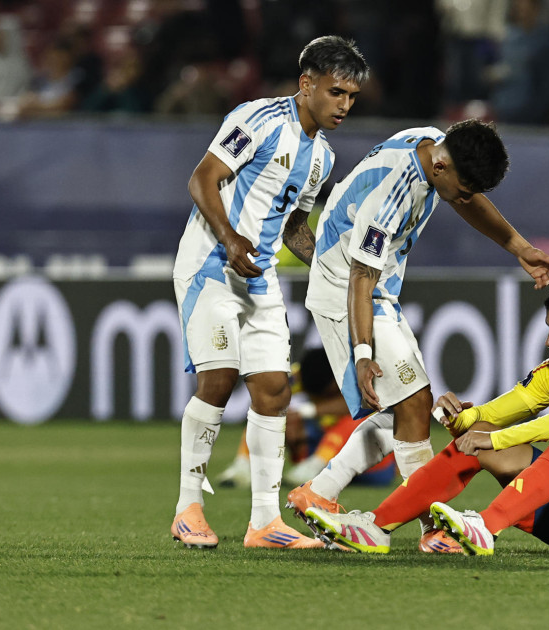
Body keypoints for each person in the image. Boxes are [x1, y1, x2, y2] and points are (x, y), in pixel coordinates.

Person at [285, 119, 549, 551]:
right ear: (442, 167)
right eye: (465, 187)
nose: (467, 197)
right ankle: (427, 527)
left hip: (374, 291)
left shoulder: (434, 148)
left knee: (402, 413)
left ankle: (320, 491)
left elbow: (464, 200)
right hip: (349, 293)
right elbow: (360, 276)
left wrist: (518, 247)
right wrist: (361, 353)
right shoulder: (393, 196)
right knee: (415, 401)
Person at [303, 278, 549, 556]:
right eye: (548, 329)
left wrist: (500, 438)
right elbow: (495, 414)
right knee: (481, 436)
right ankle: (376, 526)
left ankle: (485, 528)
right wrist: (461, 419)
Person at [169, 35, 369, 550]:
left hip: (258, 277)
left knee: (275, 388)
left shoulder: (321, 158)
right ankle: (188, 507)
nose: (344, 105)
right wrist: (230, 238)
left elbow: (294, 227)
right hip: (210, 263)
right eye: (336, 92)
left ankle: (263, 523)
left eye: (351, 97)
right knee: (218, 376)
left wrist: (334, 266)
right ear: (307, 84)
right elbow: (202, 179)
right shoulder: (258, 119)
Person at [214, 347, 396, 489]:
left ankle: (313, 467)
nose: (318, 398)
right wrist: (287, 419)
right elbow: (265, 401)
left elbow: (363, 406)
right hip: (322, 446)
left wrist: (305, 411)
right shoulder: (296, 376)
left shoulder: (355, 376)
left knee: (360, 420)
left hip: (372, 465)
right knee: (268, 414)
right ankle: (242, 465)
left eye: (325, 395)